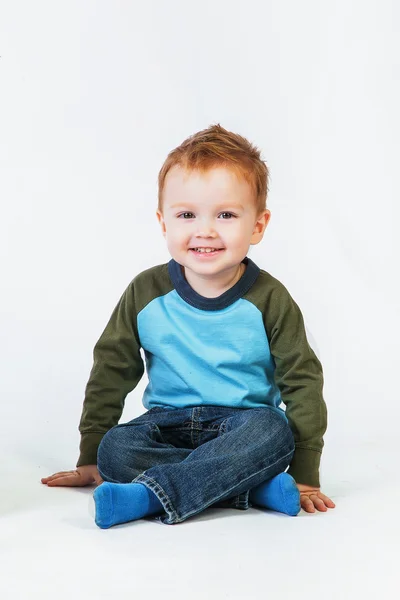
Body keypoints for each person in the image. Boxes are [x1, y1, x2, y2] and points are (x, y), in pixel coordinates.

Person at [42, 124, 336, 527]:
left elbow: (302, 382)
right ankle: (249, 488)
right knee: (116, 450)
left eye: (227, 215)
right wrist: (91, 454)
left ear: (258, 225)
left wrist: (305, 474)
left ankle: (147, 498)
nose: (205, 230)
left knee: (275, 432)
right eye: (187, 215)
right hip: (165, 424)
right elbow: (111, 370)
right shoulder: (146, 291)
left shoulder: (270, 299)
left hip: (244, 424)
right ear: (164, 223)